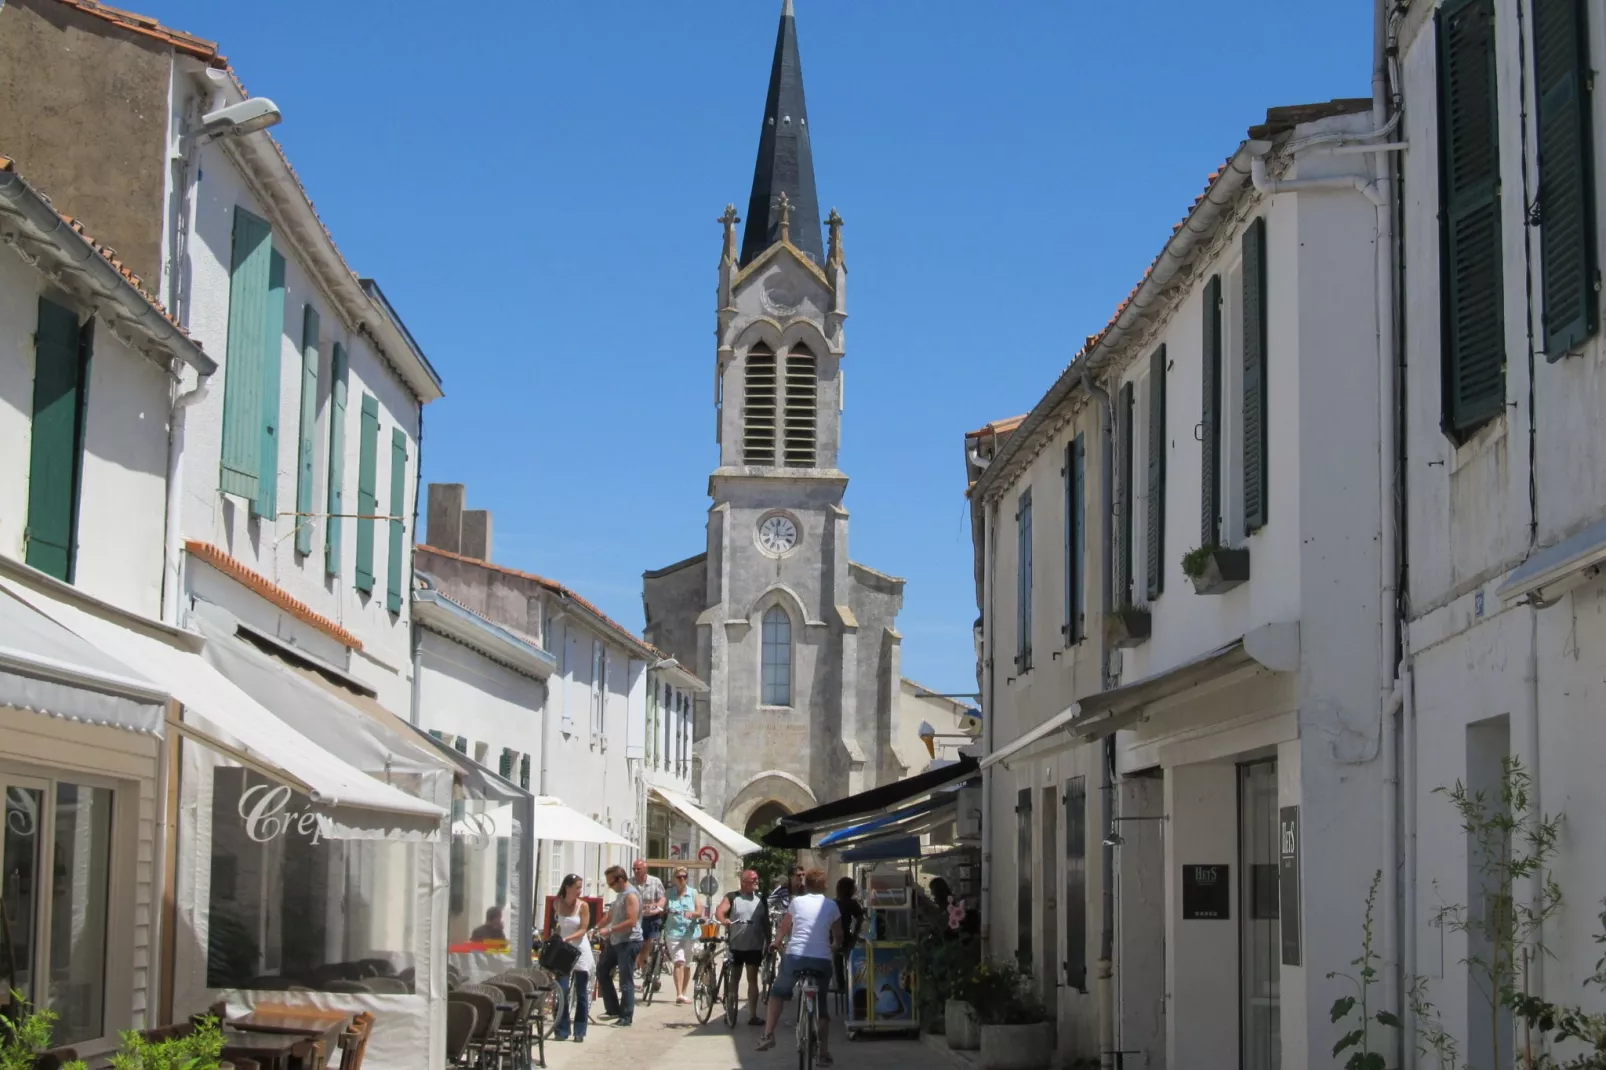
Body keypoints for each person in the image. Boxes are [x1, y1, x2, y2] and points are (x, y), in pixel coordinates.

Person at [758, 868, 842, 1066]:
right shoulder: (831, 905)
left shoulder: (796, 902)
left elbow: (784, 926)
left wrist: (776, 942)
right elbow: (838, 934)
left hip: (795, 956)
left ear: (806, 885)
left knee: (777, 993)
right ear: (825, 885)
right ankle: (823, 1052)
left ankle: (768, 1034)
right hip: (821, 959)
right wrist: (835, 946)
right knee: (821, 1005)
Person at [715, 869, 771, 1025]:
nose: (756, 881)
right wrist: (723, 919)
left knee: (752, 979)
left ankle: (752, 1015)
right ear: (744, 881)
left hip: (754, 945)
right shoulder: (733, 897)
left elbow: (766, 921)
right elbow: (720, 911)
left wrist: (769, 940)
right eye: (753, 879)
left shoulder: (761, 898)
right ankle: (730, 1010)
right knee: (735, 978)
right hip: (736, 945)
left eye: (757, 878)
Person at [595, 865, 642, 1027]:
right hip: (616, 941)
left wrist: (609, 930)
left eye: (611, 883)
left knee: (625, 980)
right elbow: (610, 915)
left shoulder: (631, 896)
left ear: (620, 880)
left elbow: (631, 921)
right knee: (601, 970)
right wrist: (595, 929)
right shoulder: (620, 895)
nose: (610, 887)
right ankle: (613, 1009)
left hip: (629, 941)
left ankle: (626, 1017)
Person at [549, 876, 594, 1042]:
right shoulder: (557, 903)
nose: (579, 891)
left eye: (580, 888)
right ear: (567, 887)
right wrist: (556, 938)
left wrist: (566, 939)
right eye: (577, 887)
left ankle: (580, 1031)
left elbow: (583, 930)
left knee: (581, 991)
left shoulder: (583, 906)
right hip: (564, 950)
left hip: (580, 949)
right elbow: (559, 926)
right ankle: (562, 1029)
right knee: (562, 990)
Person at [662, 867, 703, 1004]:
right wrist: (660, 907)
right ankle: (679, 993)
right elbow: (662, 905)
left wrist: (692, 914)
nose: (682, 879)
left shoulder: (693, 893)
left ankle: (684, 992)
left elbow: (699, 911)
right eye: (679, 877)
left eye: (684, 876)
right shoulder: (669, 893)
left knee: (687, 964)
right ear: (674, 879)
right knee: (678, 961)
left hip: (690, 932)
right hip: (673, 932)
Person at [831, 877, 865, 1000]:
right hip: (846, 936)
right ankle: (853, 985)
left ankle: (840, 985)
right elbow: (861, 917)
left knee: (837, 961)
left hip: (833, 936)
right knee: (852, 960)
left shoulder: (833, 902)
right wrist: (856, 933)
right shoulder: (851, 903)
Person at [632, 858, 667, 976]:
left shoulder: (655, 881)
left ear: (645, 869)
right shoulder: (630, 882)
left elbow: (662, 898)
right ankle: (645, 970)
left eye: (638, 869)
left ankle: (650, 970)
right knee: (639, 945)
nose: (636, 871)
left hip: (652, 918)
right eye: (634, 869)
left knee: (649, 944)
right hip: (637, 919)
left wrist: (657, 906)